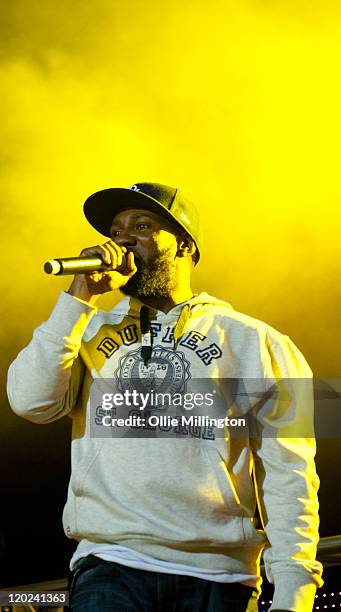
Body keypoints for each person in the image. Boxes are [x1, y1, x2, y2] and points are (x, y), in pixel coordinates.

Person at [7, 182, 323, 611]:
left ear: (186, 245)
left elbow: (291, 472)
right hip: (111, 565)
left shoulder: (261, 343)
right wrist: (77, 299)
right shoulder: (87, 331)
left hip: (222, 579)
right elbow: (29, 402)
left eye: (141, 225)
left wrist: (294, 591)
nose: (121, 238)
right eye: (116, 229)